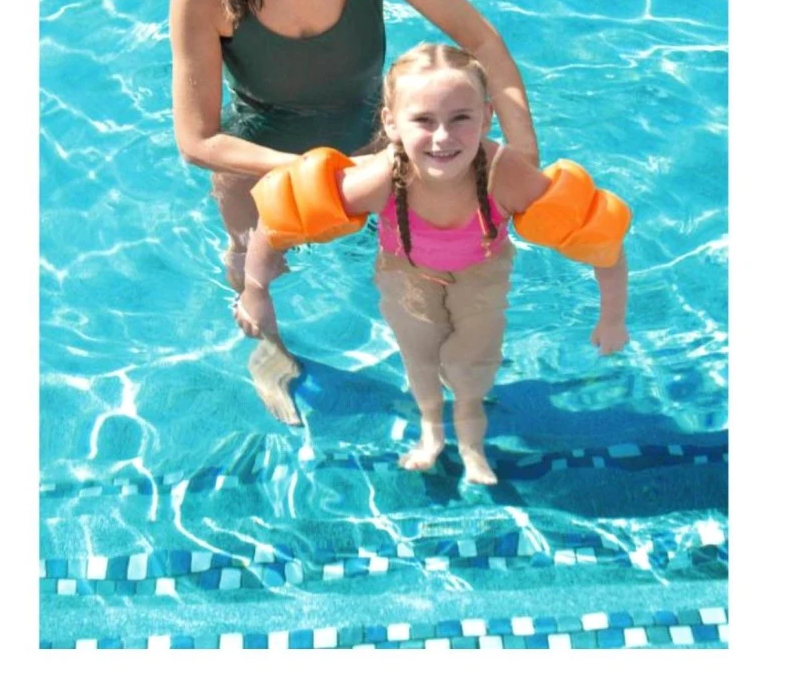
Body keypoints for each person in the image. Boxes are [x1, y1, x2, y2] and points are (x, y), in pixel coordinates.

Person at [162, 0, 540, 417]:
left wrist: (523, 152)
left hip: (373, 152)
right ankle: (271, 359)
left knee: (426, 271)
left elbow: (481, 40)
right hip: (263, 176)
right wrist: (322, 174)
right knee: (257, 277)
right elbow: (198, 140)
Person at [238, 43, 631, 485]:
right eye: (423, 120)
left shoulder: (506, 175)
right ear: (391, 122)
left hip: (482, 275)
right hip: (405, 274)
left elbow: (598, 239)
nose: (443, 137)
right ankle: (431, 429)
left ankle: (471, 441)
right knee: (420, 358)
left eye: (460, 118)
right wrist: (255, 289)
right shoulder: (380, 178)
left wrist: (612, 318)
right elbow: (279, 221)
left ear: (487, 117)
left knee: (472, 366)